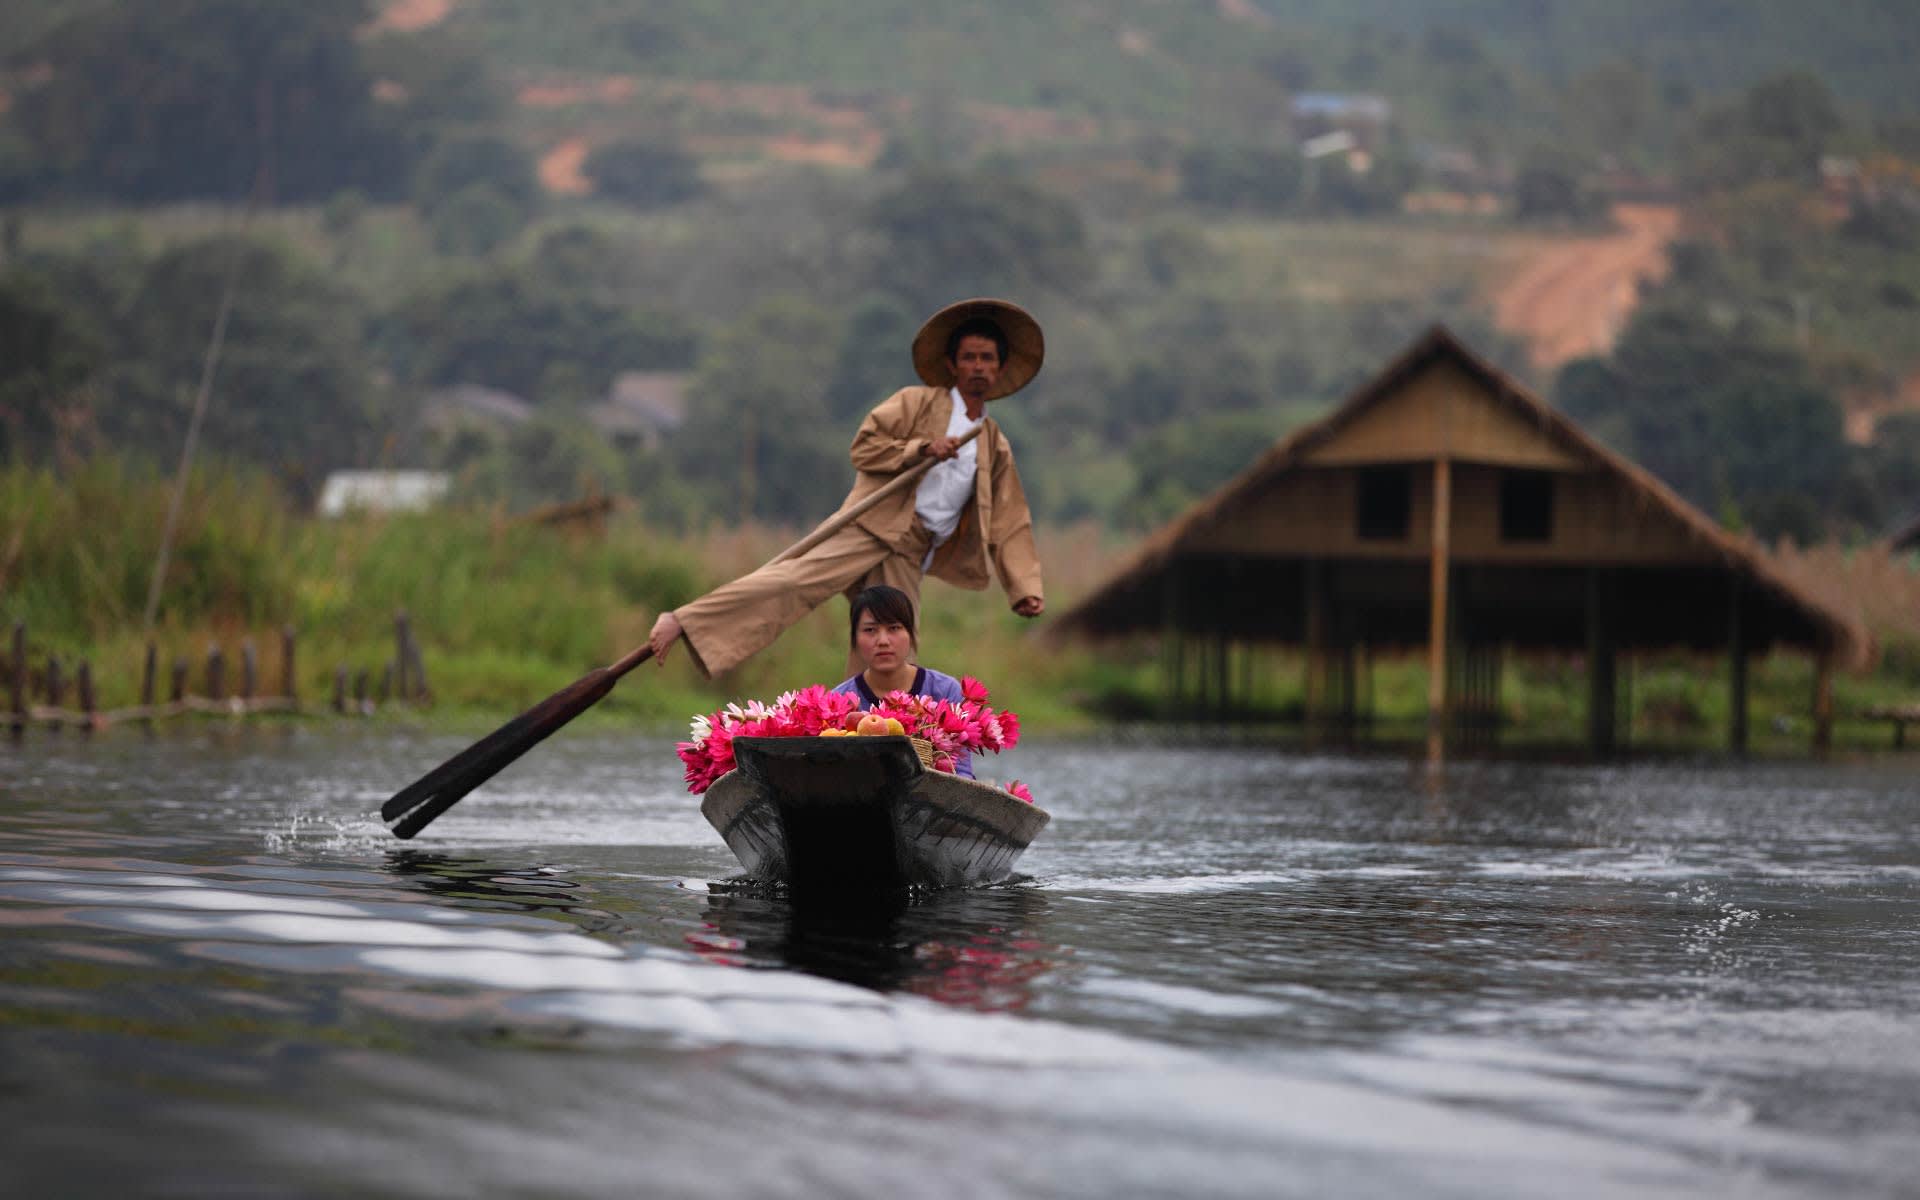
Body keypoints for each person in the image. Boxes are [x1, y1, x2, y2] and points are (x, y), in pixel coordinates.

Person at [647, 298, 1046, 678]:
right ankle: (684, 621)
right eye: (969, 357)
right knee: (793, 582)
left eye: (987, 358)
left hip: (910, 549)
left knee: (890, 640)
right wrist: (921, 448)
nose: (978, 366)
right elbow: (864, 448)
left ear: (1000, 368)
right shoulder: (916, 403)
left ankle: (862, 728)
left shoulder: (994, 445)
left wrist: (1023, 588)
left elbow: (1010, 523)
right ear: (951, 364)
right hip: (869, 525)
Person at [833, 585, 974, 778]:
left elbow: (962, 771)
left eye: (894, 628)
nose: (883, 640)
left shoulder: (946, 691)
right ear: (855, 639)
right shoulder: (838, 701)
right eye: (870, 630)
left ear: (911, 634)